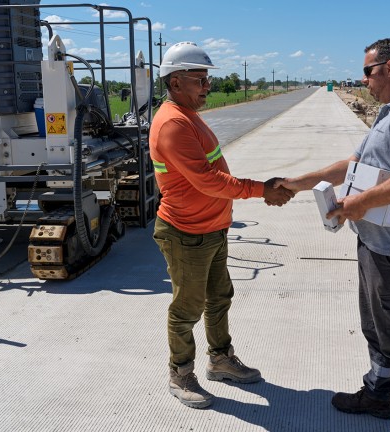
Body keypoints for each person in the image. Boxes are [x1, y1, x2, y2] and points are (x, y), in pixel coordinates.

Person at [279, 38, 390, 432]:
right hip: (375, 244)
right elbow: (349, 168)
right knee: (376, 328)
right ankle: (378, 395)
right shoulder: (387, 114)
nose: (362, 77)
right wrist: (297, 183)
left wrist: (359, 204)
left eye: (368, 70)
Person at [149, 41, 294, 409]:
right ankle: (180, 374)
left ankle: (220, 360)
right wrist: (262, 190)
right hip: (186, 233)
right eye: (201, 80)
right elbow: (208, 181)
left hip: (212, 228)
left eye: (207, 80)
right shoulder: (172, 124)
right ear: (176, 81)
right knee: (187, 308)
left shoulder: (189, 115)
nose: (207, 87)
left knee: (219, 298)